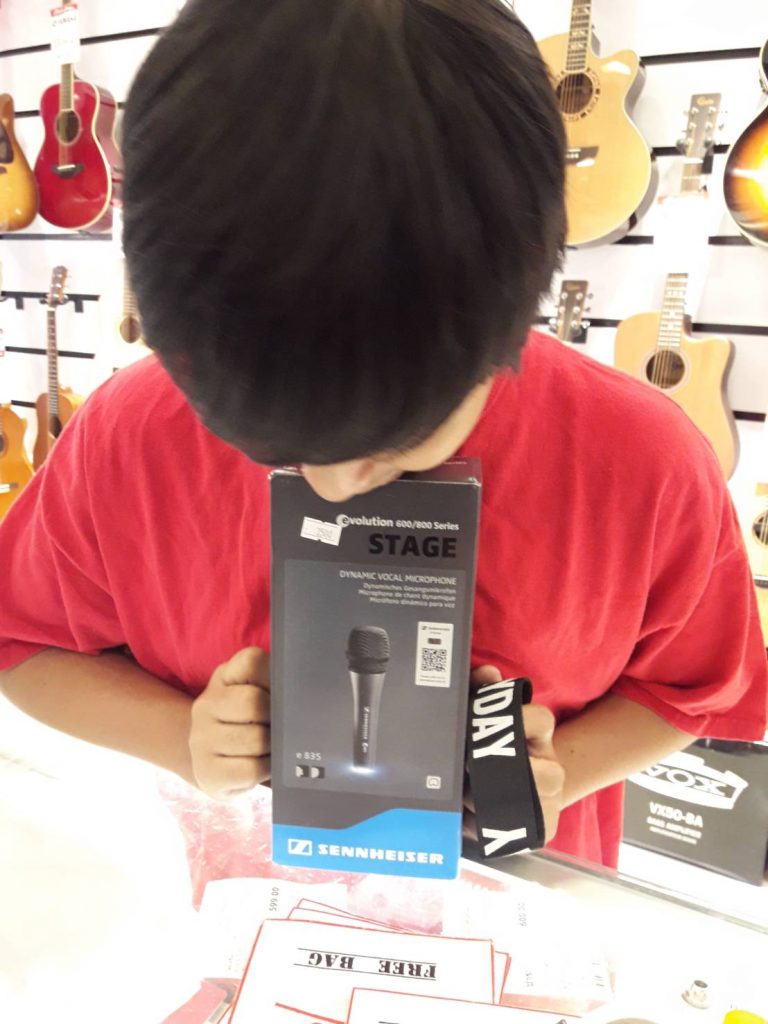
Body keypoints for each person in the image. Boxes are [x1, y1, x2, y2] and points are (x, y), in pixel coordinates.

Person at [0, 0, 765, 870]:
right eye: (276, 450)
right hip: (235, 902)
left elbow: (694, 691)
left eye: (394, 444)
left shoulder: (646, 463)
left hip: (519, 905)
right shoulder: (128, 431)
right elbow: (23, 646)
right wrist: (181, 738)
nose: (332, 489)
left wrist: (558, 775)